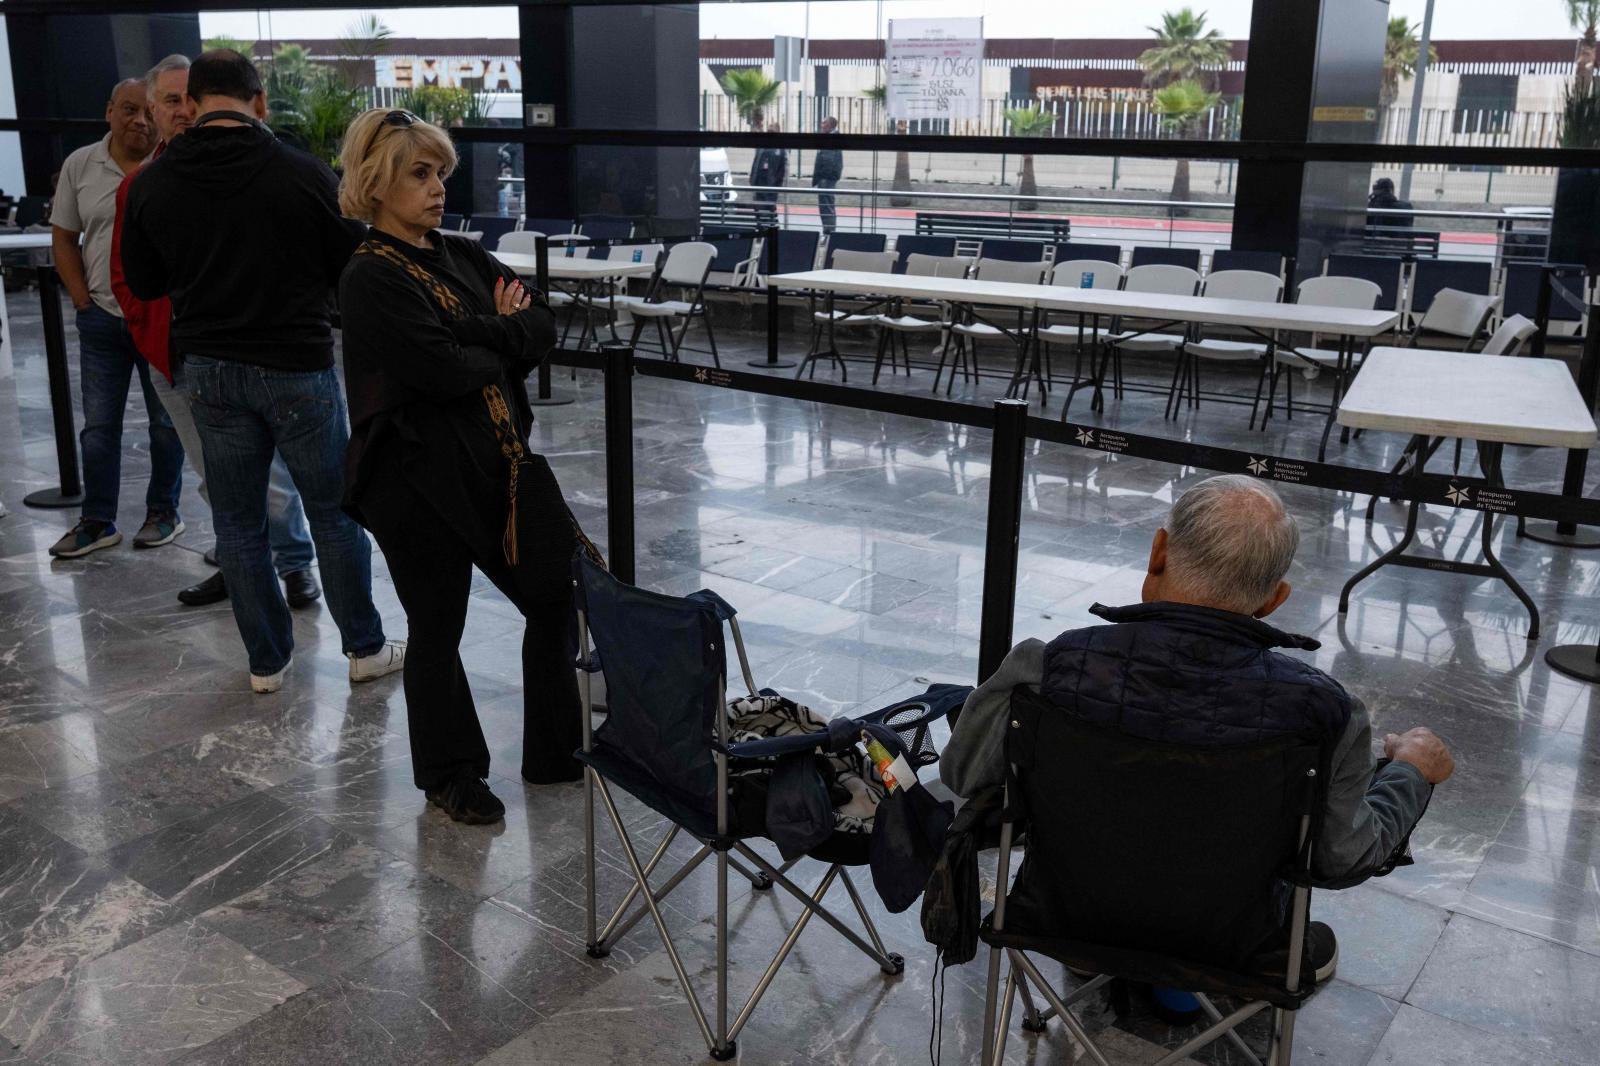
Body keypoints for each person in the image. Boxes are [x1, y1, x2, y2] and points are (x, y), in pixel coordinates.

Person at [945, 476, 1452, 968]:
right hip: (1236, 947)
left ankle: (1113, 958)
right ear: (1275, 600)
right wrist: (1409, 773)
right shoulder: (1325, 712)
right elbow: (1343, 858)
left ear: (1158, 551)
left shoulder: (1043, 668)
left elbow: (964, 776)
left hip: (1059, 919)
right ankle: (1178, 982)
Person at [335, 108, 592, 824]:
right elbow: (443, 371)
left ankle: (553, 751)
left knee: (552, 597)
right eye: (419, 174)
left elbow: (541, 326)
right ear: (376, 182)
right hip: (415, 479)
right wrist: (501, 338)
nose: (437, 187)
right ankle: (450, 774)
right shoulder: (369, 277)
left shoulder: (463, 257)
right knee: (437, 626)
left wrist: (487, 332)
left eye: (439, 172)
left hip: (498, 464)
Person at [121, 50, 404, 694]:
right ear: (261, 102)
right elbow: (349, 270)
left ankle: (267, 663)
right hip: (296, 366)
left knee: (239, 522)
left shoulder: (153, 183)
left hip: (210, 372)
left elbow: (143, 280)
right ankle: (363, 647)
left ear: (190, 104)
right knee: (334, 513)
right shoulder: (300, 174)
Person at [110, 53, 320, 610]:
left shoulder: (257, 166)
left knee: (273, 475)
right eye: (172, 101)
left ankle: (295, 563)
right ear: (153, 110)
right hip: (174, 354)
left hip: (251, 348)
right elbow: (128, 275)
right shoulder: (143, 185)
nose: (183, 111)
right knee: (214, 475)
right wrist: (148, 331)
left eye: (188, 98)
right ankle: (239, 564)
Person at [47, 79, 185, 559]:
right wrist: (82, 298)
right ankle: (97, 520)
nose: (141, 121)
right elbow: (64, 235)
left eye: (150, 111)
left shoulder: (173, 164)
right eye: (130, 110)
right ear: (109, 111)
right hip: (102, 319)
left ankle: (163, 512)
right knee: (99, 427)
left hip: (160, 322)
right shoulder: (81, 165)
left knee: (167, 425)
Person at [749, 123, 788, 228]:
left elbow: (782, 168)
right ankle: (760, 228)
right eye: (768, 131)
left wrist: (777, 183)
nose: (769, 134)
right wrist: (752, 177)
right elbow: (755, 162)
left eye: (772, 132)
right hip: (759, 180)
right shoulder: (762, 145)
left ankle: (772, 227)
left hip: (771, 183)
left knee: (769, 206)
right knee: (757, 206)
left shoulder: (780, 148)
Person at [811, 116, 843, 234]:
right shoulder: (829, 138)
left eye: (824, 123)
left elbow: (828, 160)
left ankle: (829, 232)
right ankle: (828, 230)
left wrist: (823, 177)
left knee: (826, 205)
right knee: (826, 205)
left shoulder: (831, 139)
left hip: (826, 178)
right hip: (825, 178)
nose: (822, 125)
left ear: (830, 125)